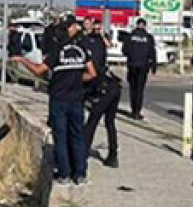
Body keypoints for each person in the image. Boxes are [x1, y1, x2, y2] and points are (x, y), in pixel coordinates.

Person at [12, 15, 96, 185]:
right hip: (77, 99)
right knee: (78, 136)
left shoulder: (56, 53)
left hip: (59, 100)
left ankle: (64, 174)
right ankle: (80, 173)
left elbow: (38, 70)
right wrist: (77, 80)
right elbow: (92, 74)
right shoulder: (80, 51)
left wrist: (22, 60)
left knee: (61, 137)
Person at [81, 19, 121, 168]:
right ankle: (113, 155)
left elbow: (94, 68)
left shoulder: (94, 42)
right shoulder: (90, 40)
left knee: (93, 121)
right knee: (109, 122)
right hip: (108, 84)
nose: (96, 29)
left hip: (103, 86)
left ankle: (82, 155)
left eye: (99, 28)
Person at [122, 18, 158, 120]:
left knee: (132, 89)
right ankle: (137, 111)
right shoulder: (149, 37)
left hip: (132, 65)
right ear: (144, 26)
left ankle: (133, 110)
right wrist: (153, 66)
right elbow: (152, 52)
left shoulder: (130, 36)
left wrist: (132, 55)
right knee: (140, 90)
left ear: (137, 25)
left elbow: (124, 50)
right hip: (143, 66)